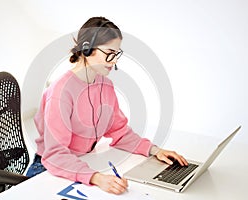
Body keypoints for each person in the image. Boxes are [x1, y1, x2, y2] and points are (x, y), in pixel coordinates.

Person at [26, 16, 188, 195]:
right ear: (87, 48)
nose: (114, 60)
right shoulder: (61, 92)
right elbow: (55, 154)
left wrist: (154, 150)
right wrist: (96, 178)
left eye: (117, 54)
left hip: (82, 162)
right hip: (49, 169)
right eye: (109, 52)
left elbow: (119, 131)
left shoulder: (105, 85)